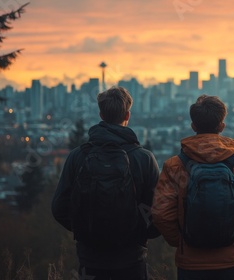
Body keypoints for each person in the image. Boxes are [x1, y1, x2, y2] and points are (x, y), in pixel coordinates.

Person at [152, 95, 234, 280]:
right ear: (222, 126)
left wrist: (181, 242)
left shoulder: (174, 166)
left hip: (190, 264)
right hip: (231, 262)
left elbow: (161, 213)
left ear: (193, 126)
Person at [52, 87, 160, 280]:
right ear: (128, 114)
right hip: (132, 259)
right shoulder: (144, 159)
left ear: (101, 114)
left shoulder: (78, 157)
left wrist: (85, 230)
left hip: (90, 259)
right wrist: (139, 234)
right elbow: (157, 212)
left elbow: (59, 208)